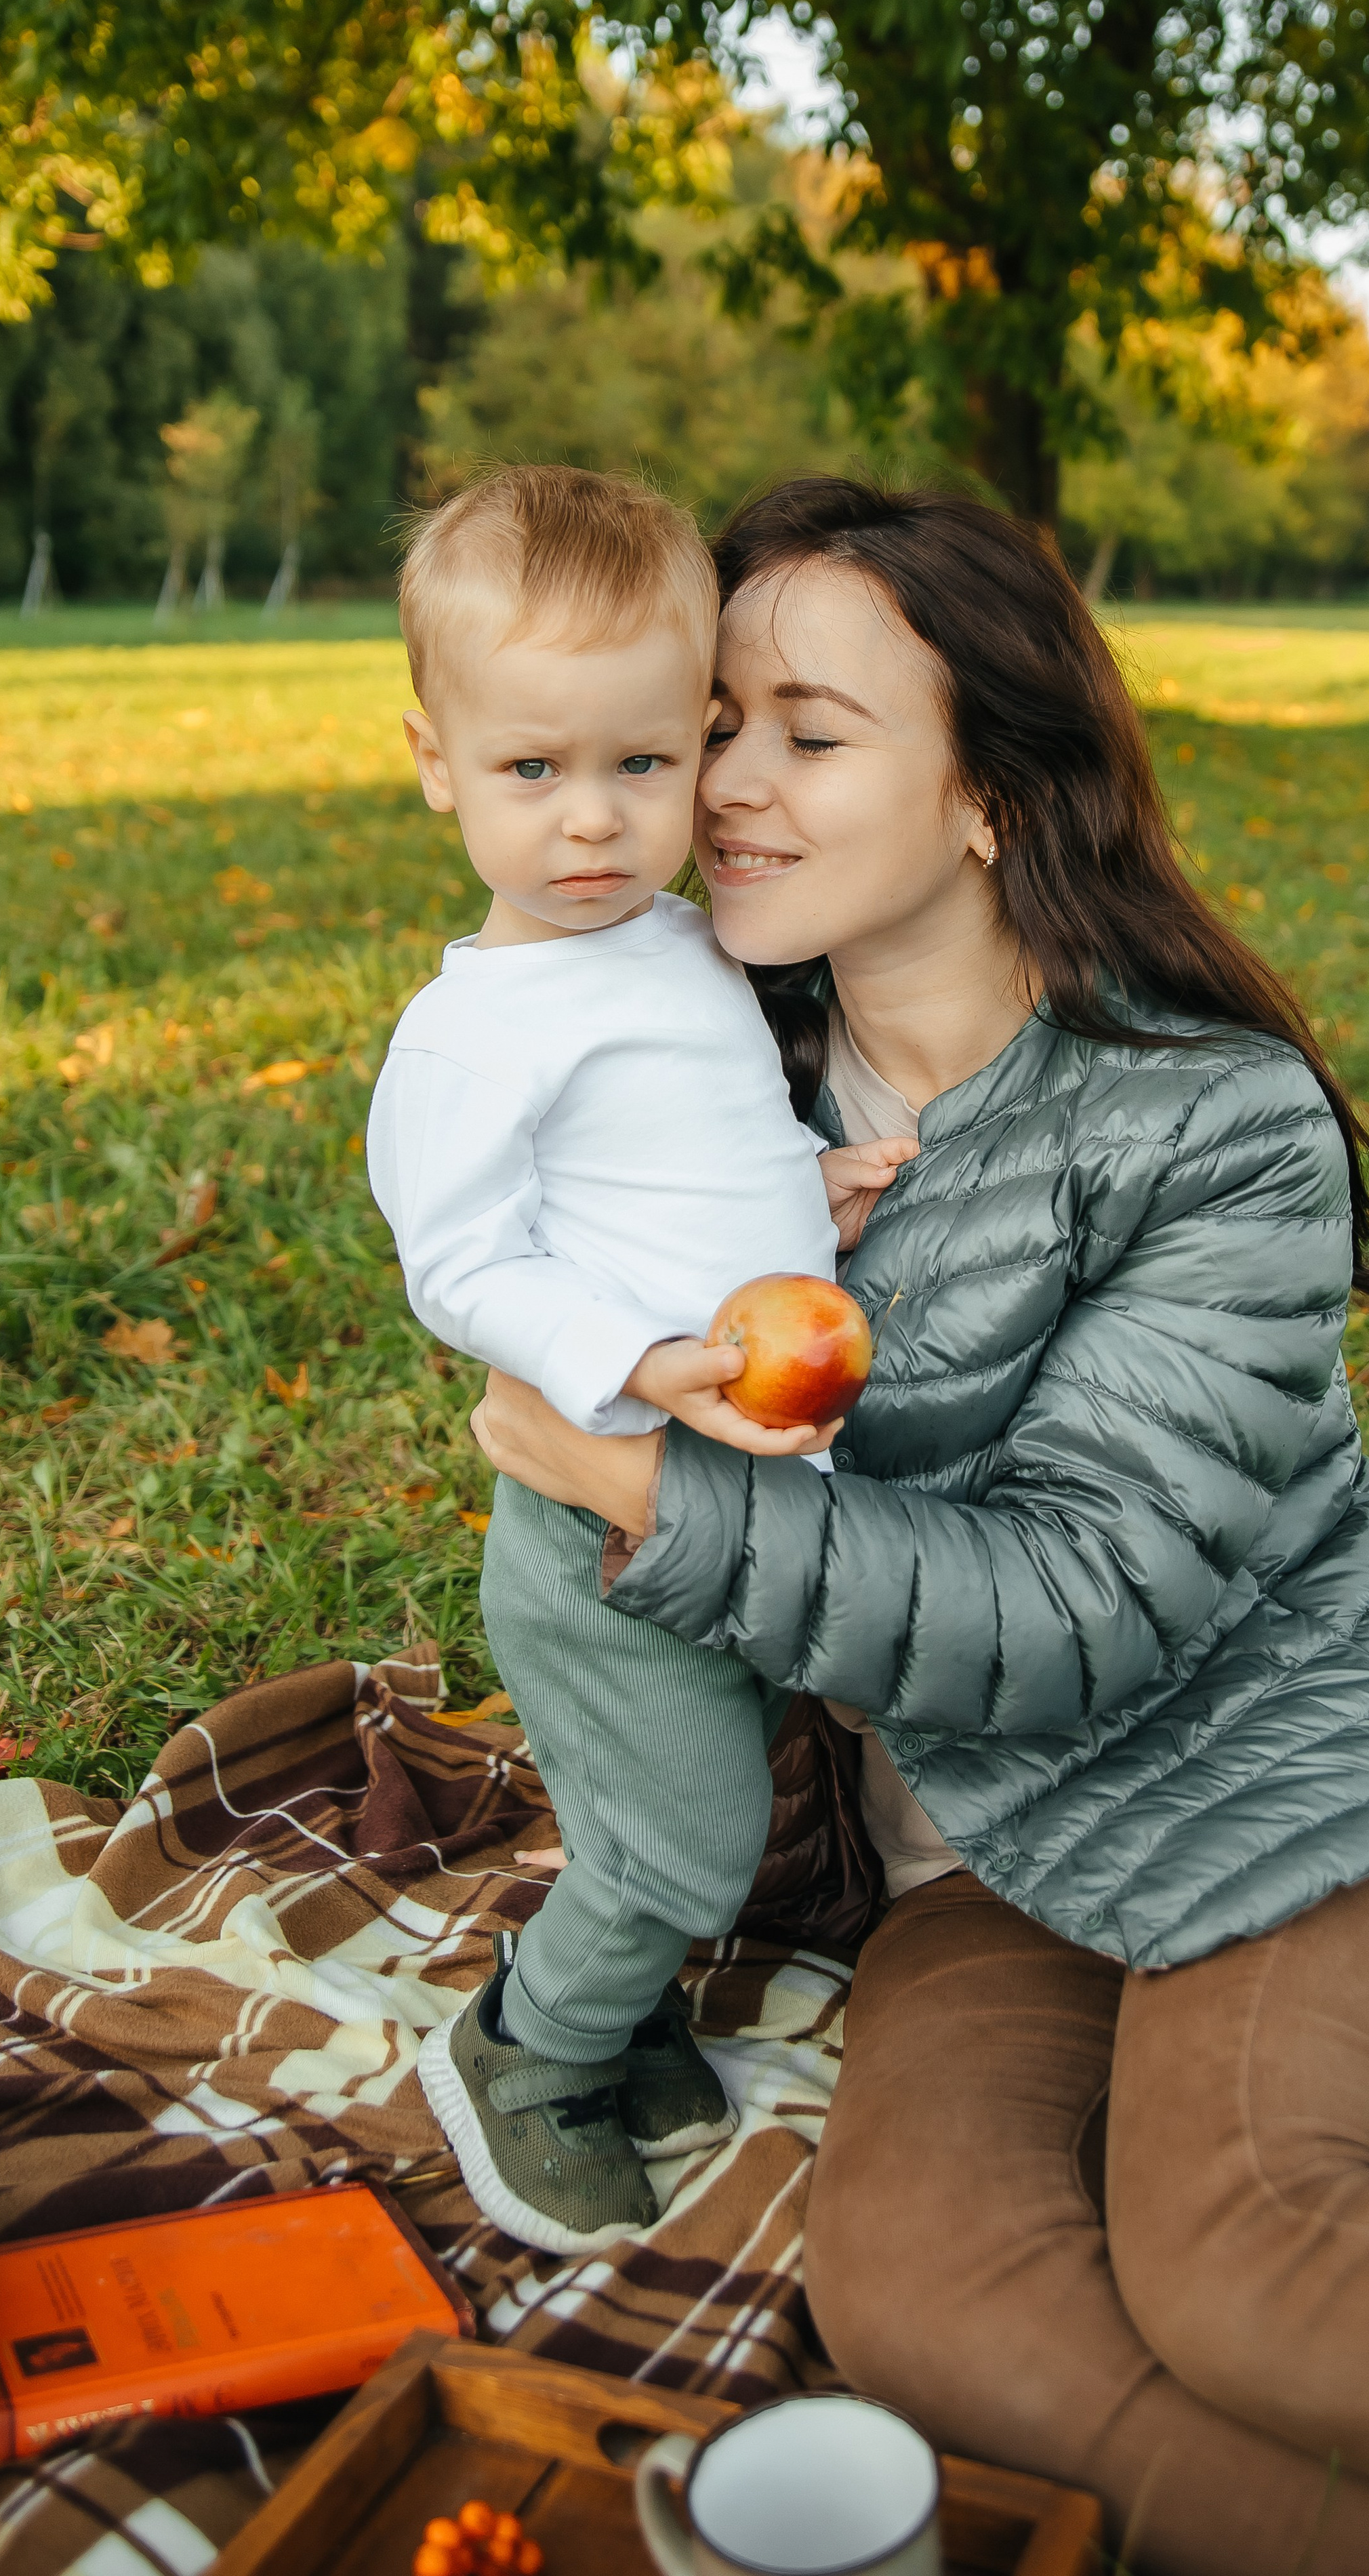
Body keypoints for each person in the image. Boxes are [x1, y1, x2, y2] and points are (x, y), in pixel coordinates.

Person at [468, 476, 1369, 2573]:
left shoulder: (1206, 1126)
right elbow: (509, 1279)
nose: (734, 785)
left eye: (812, 729)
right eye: (717, 725)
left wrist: (650, 1484)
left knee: (1250, 2260)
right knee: (930, 2310)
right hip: (980, 1855)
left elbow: (1074, 1610)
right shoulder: (692, 1081)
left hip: (1291, 1774)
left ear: (991, 796)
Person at [367, 465, 910, 2257]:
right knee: (673, 1839)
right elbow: (461, 1262)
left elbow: (688, 1158)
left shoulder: (683, 947)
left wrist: (800, 1194)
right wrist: (642, 1353)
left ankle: (640, 2015)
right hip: (603, 1525)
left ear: (696, 744)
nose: (591, 823)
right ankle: (527, 2049)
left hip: (731, 1490)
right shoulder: (471, 1030)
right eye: (533, 771)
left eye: (641, 767)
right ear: (437, 762)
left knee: (721, 1773)